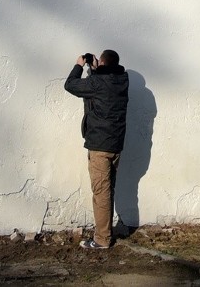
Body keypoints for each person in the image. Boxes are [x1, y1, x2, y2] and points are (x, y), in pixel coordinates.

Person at [64, 49, 129, 250]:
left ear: (101, 62)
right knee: (108, 190)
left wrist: (79, 65)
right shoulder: (122, 80)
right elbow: (102, 89)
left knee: (101, 192)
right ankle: (106, 232)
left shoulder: (98, 83)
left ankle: (102, 239)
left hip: (100, 145)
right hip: (115, 144)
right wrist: (95, 70)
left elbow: (70, 85)